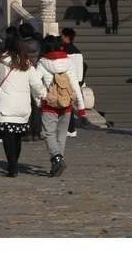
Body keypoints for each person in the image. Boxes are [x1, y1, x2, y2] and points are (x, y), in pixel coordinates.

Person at [0, 39, 50, 177]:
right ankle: (14, 164)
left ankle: (12, 166)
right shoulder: (27, 63)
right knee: (17, 136)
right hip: (22, 105)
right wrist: (45, 95)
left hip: (4, 105)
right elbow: (36, 85)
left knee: (7, 136)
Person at [37, 35, 86, 177]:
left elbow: (35, 83)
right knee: (62, 134)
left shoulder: (42, 63)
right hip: (66, 103)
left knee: (49, 133)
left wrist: (42, 97)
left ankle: (57, 158)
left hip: (49, 103)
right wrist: (81, 106)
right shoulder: (68, 61)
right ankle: (58, 160)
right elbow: (75, 84)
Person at [60, 27, 86, 137]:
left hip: (68, 81)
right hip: (77, 80)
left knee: (67, 106)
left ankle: (70, 128)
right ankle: (71, 128)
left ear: (66, 37)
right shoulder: (77, 51)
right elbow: (84, 66)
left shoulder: (66, 52)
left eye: (62, 35)